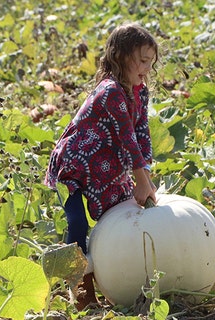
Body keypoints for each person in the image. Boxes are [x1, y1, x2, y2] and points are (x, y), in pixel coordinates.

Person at [44, 22, 159, 309]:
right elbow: (126, 136)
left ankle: (118, 278)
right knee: (78, 224)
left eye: (151, 62)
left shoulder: (139, 91)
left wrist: (146, 175)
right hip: (77, 166)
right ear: (122, 56)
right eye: (142, 61)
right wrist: (140, 181)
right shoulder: (110, 91)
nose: (147, 68)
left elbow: (141, 134)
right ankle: (81, 289)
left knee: (113, 223)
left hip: (107, 170)